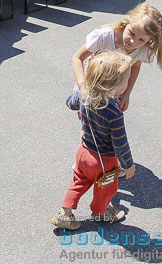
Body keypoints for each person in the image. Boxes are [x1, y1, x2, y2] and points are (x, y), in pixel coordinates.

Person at [50, 50, 134, 231]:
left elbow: (69, 102)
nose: (127, 84)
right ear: (115, 86)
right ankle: (100, 212)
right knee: (106, 188)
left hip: (83, 152)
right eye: (126, 80)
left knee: (78, 182)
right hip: (103, 159)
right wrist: (128, 164)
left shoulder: (86, 97)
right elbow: (120, 142)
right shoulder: (114, 112)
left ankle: (65, 214)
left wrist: (82, 92)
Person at [70, 3, 162, 110]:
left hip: (114, 90)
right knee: (88, 116)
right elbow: (77, 58)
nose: (133, 41)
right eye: (132, 33)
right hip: (91, 84)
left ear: (149, 41)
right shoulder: (104, 37)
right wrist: (82, 86)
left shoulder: (143, 49)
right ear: (126, 22)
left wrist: (127, 93)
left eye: (141, 40)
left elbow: (135, 66)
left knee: (107, 119)